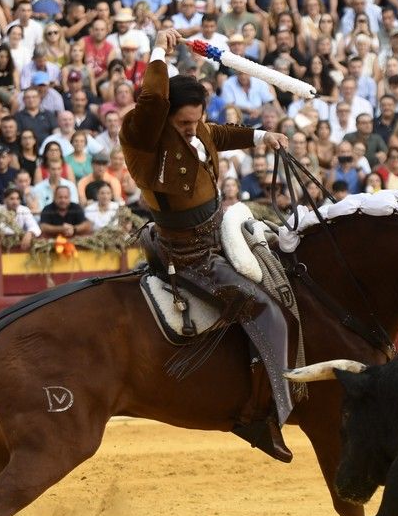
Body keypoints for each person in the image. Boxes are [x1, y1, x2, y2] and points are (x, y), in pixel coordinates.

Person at [120, 27, 295, 462]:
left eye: (195, 119)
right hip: (188, 252)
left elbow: (219, 133)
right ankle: (258, 412)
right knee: (261, 308)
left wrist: (261, 137)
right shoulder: (145, 134)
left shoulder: (197, 131)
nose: (190, 128)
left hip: (218, 231)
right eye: (182, 122)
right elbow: (154, 100)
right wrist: (160, 49)